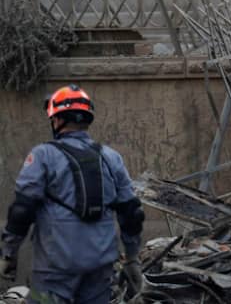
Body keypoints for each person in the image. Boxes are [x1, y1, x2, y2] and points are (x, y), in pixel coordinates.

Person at [0, 84, 145, 303]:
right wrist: (132, 259)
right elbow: (131, 211)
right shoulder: (111, 157)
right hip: (100, 266)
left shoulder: (43, 156)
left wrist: (9, 253)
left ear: (57, 120)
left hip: (55, 268)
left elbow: (22, 209)